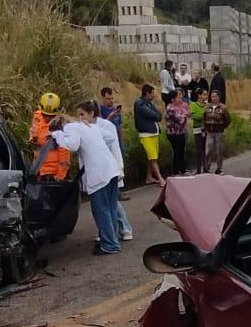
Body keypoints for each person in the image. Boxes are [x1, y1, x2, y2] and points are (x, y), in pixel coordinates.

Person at [48, 103, 121, 255]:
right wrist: (94, 141)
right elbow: (110, 137)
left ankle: (110, 244)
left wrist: (57, 136)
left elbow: (72, 145)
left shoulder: (70, 128)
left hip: (99, 173)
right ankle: (112, 238)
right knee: (111, 207)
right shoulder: (89, 126)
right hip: (112, 169)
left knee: (101, 210)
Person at [90, 105, 133, 241]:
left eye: (81, 114)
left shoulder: (105, 126)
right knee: (104, 203)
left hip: (107, 169)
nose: (79, 118)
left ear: (91, 113)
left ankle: (120, 229)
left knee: (110, 202)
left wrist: (119, 167)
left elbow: (114, 147)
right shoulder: (87, 127)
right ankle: (108, 231)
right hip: (96, 170)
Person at [29, 91, 72, 180]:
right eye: (45, 114)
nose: (47, 118)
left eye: (51, 116)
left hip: (53, 173)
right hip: (39, 168)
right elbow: (33, 132)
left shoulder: (61, 126)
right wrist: (32, 137)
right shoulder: (37, 117)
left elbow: (65, 155)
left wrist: (60, 176)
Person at [133, 83, 164, 184]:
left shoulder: (150, 103)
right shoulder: (140, 103)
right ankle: (160, 178)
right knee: (153, 157)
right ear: (147, 93)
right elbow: (152, 114)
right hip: (146, 133)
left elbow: (159, 115)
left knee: (152, 157)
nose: (154, 96)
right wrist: (156, 115)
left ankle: (149, 177)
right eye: (152, 93)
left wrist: (156, 115)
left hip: (154, 133)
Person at [203, 88, 231, 173]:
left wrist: (222, 127)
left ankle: (219, 168)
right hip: (209, 132)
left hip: (219, 132)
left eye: (215, 96)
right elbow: (203, 118)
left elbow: (228, 120)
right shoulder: (207, 107)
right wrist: (204, 129)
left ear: (219, 97)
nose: (213, 98)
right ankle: (206, 168)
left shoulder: (223, 108)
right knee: (208, 151)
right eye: (212, 96)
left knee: (219, 151)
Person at [165, 87, 189, 175]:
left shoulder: (178, 107)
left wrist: (185, 115)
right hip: (173, 133)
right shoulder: (170, 108)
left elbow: (186, 114)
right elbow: (179, 119)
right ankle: (175, 171)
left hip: (181, 132)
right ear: (173, 99)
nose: (180, 100)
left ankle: (182, 169)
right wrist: (185, 115)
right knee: (177, 151)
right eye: (178, 98)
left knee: (181, 150)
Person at [189, 88, 208, 173]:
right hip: (197, 129)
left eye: (206, 94)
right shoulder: (193, 105)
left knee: (206, 149)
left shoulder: (207, 105)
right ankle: (198, 169)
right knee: (199, 149)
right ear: (199, 95)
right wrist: (203, 117)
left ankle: (206, 167)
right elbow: (193, 116)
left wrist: (201, 116)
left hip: (206, 129)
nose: (205, 96)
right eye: (204, 94)